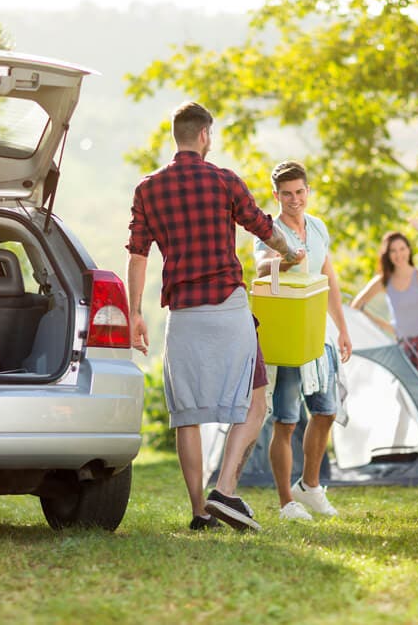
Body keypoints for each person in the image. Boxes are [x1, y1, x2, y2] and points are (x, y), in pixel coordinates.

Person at [126, 101, 303, 532]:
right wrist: (292, 251)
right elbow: (263, 226)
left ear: (178, 136)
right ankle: (225, 489)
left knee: (188, 413)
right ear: (204, 135)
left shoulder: (147, 189)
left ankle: (200, 513)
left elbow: (136, 254)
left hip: (182, 313)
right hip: (227, 306)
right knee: (256, 399)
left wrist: (134, 313)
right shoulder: (224, 180)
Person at [253, 160, 352, 521]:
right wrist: (286, 259)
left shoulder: (318, 227)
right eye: (286, 194)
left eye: (299, 192)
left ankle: (309, 488)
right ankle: (286, 503)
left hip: (319, 331)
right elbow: (260, 266)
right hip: (289, 334)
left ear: (307, 191)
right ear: (276, 195)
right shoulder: (269, 229)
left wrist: (341, 327)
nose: (294, 200)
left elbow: (330, 277)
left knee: (326, 410)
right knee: (286, 420)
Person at [350, 220, 418, 395]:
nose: (398, 254)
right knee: (410, 396)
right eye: (393, 250)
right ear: (388, 255)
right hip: (405, 347)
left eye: (402, 249)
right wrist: (384, 326)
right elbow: (356, 305)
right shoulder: (384, 281)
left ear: (409, 250)